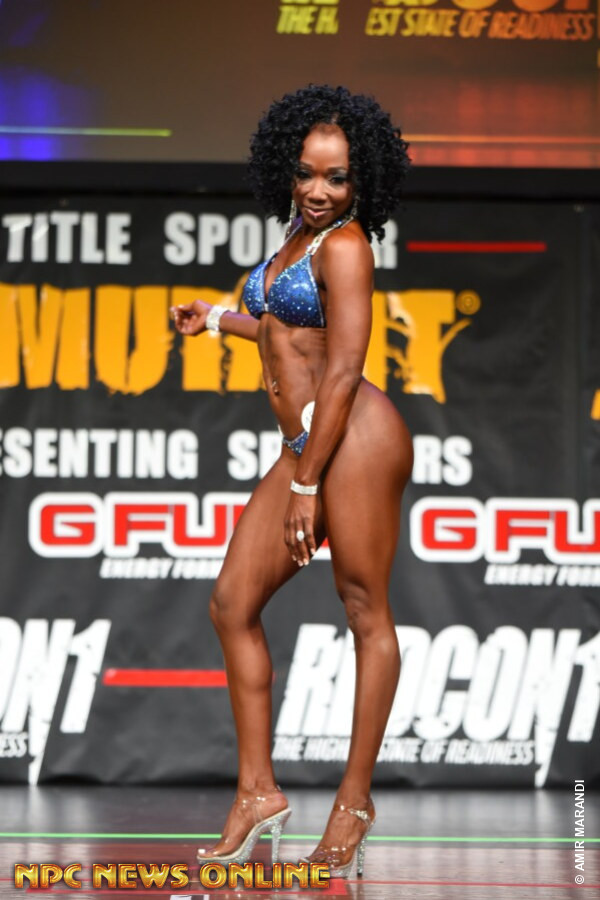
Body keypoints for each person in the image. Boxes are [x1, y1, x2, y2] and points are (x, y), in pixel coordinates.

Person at [171, 84, 412, 878]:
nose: (317, 189)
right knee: (231, 603)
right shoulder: (294, 240)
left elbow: (342, 369)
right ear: (286, 166)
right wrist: (216, 318)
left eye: (337, 177)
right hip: (310, 443)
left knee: (364, 609)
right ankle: (256, 792)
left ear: (361, 180)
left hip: (355, 440)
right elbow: (284, 330)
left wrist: (307, 482)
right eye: (307, 172)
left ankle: (354, 802)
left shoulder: (346, 246)